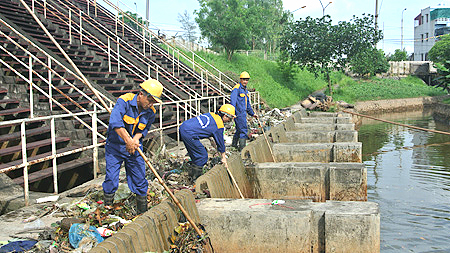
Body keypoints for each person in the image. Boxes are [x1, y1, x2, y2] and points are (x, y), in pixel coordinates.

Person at [102, 79, 163, 214]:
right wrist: (127, 141)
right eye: (150, 100)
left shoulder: (151, 112)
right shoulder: (124, 101)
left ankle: (142, 211)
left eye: (154, 102)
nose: (151, 104)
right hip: (115, 147)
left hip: (134, 147)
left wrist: (135, 140)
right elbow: (115, 123)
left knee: (140, 178)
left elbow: (143, 130)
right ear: (141, 94)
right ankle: (107, 208)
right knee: (111, 179)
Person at [179, 104, 236, 180]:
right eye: (230, 118)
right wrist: (223, 158)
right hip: (189, 133)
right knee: (202, 155)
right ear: (225, 116)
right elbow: (221, 144)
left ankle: (192, 173)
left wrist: (211, 140)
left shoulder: (212, 114)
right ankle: (196, 179)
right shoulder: (219, 125)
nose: (229, 121)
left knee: (195, 153)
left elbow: (206, 128)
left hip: (184, 127)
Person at [230, 71, 258, 151]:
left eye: (247, 80)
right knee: (243, 130)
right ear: (241, 79)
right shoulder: (237, 88)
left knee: (239, 130)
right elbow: (233, 101)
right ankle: (242, 149)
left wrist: (252, 114)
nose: (245, 81)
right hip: (238, 113)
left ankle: (234, 145)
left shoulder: (245, 91)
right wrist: (232, 113)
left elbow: (248, 104)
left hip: (243, 113)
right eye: (244, 79)